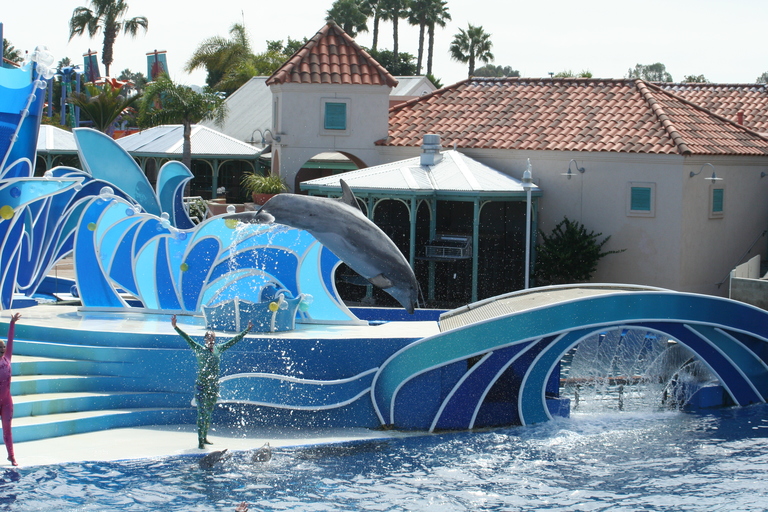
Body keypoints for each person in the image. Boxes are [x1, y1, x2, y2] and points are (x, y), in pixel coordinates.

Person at [171, 315, 252, 449]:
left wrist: (246, 330)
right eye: (208, 337)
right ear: (205, 339)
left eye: (212, 337)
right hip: (202, 386)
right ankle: (200, 440)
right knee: (201, 413)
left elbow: (233, 341)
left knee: (208, 413)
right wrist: (175, 327)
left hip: (213, 387)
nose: (210, 339)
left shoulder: (219, 349)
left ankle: (205, 437)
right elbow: (187, 338)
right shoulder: (198, 348)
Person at [0, 313, 21, 466]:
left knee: (8, 428)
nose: (2, 349)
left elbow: (11, 340)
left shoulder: (7, 358)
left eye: (3, 347)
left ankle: (11, 456)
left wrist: (12, 323)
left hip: (7, 401)